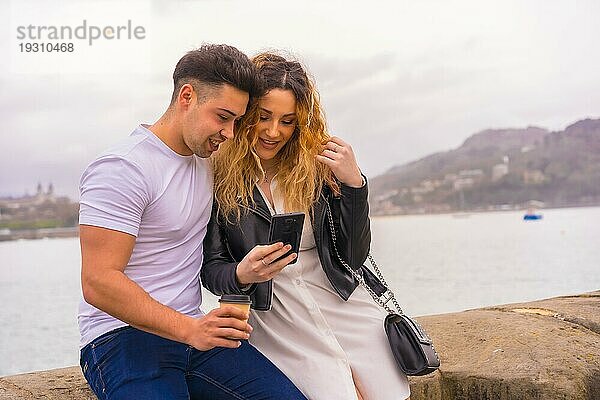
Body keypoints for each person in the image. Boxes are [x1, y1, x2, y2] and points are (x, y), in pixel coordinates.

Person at [77, 44, 307, 400]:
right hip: (122, 336)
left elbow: (282, 147)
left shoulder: (208, 158)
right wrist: (188, 329)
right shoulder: (123, 169)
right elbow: (98, 282)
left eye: (237, 121)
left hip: (195, 332)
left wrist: (349, 182)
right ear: (187, 96)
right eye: (223, 117)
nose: (230, 133)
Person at [202, 52, 410, 400]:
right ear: (247, 112)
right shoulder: (216, 178)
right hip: (279, 319)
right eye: (263, 117)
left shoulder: (317, 169)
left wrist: (354, 186)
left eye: (287, 121)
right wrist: (242, 274)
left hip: (342, 303)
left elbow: (355, 256)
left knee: (388, 391)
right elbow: (211, 270)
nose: (273, 131)